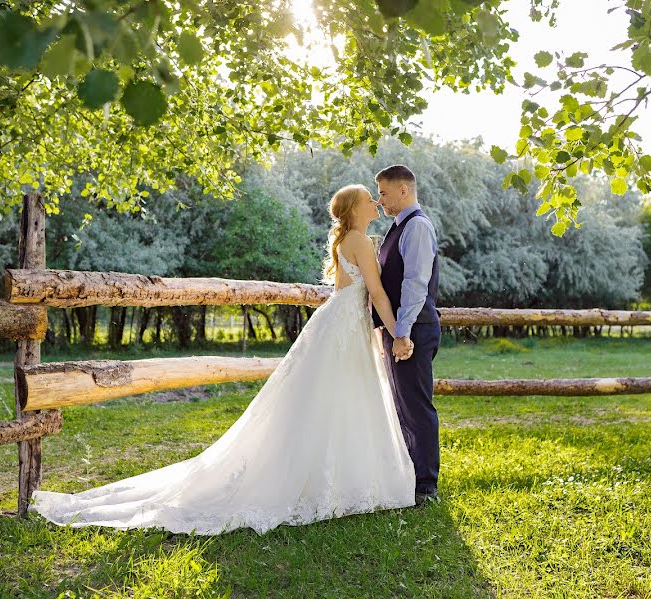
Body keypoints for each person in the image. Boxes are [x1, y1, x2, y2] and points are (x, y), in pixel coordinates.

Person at [30, 184, 416, 535]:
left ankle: (337, 476)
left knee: (335, 400)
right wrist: (399, 333)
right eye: (370, 198)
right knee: (338, 399)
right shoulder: (361, 241)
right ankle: (330, 480)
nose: (375, 202)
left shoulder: (353, 239)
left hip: (341, 325)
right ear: (354, 208)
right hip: (344, 328)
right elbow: (378, 295)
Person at [373, 165, 441, 505]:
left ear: (404, 190)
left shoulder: (416, 227)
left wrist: (402, 333)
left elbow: (415, 284)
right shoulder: (397, 228)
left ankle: (426, 487)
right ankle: (410, 480)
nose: (380, 200)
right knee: (403, 407)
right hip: (399, 331)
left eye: (384, 193)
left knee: (416, 407)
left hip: (413, 330)